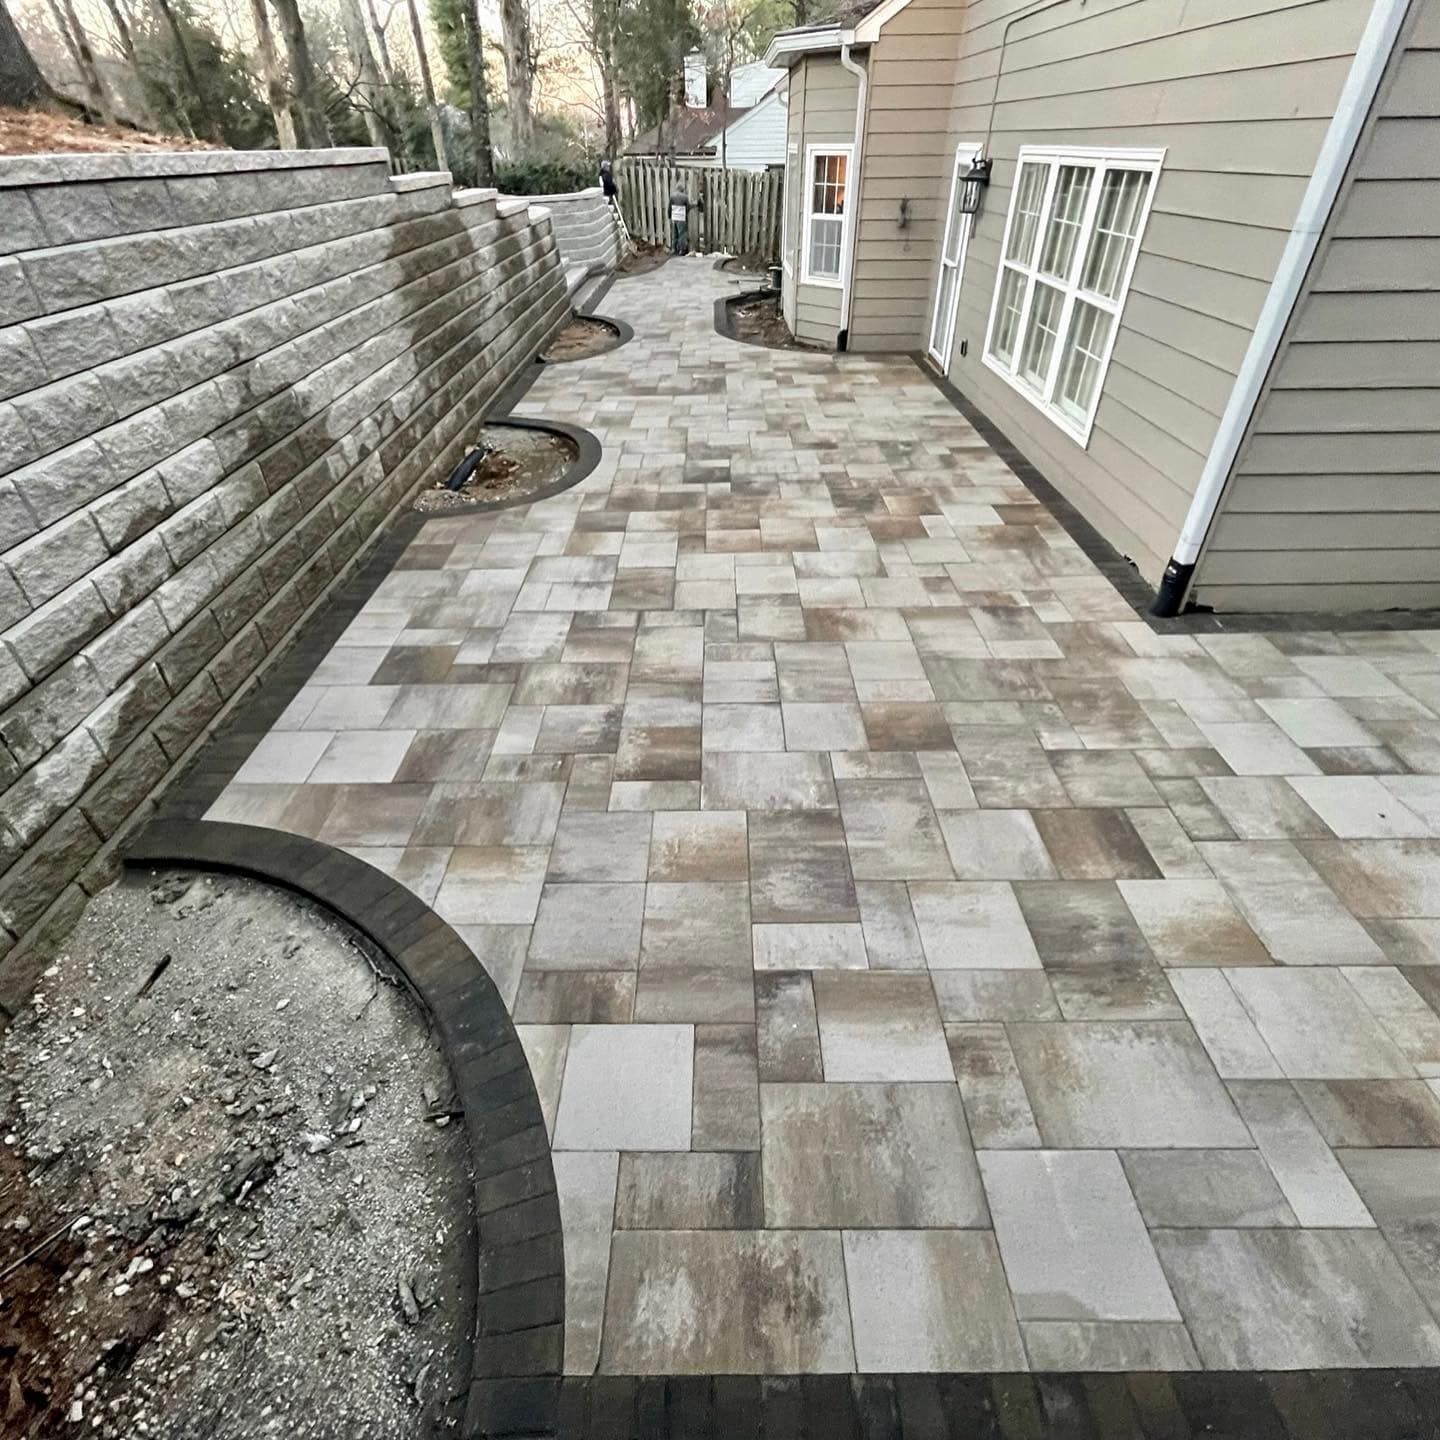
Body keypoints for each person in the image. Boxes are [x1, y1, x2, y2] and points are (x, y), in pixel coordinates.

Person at [669, 185, 690, 255]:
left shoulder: (672, 196)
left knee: (675, 234)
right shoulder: (685, 197)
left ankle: (674, 249)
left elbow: (669, 207)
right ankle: (682, 250)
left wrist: (669, 216)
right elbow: (688, 207)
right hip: (681, 217)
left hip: (674, 217)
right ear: (682, 189)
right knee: (682, 234)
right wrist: (686, 214)